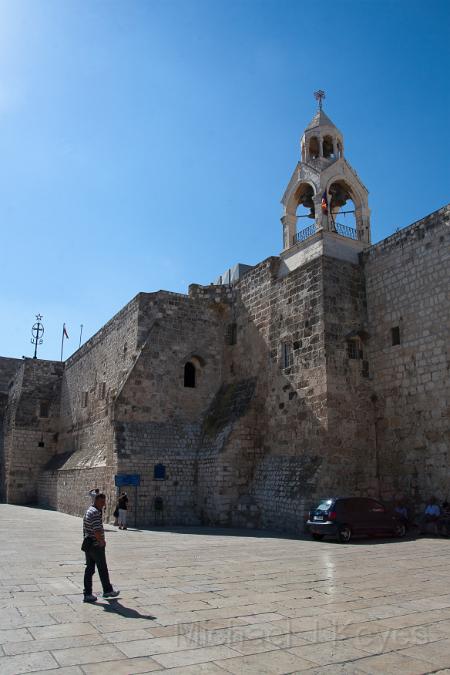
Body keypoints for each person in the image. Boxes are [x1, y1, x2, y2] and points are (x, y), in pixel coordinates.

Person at [82, 492, 119, 603]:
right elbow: (97, 530)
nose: (104, 504)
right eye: (102, 502)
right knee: (102, 568)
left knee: (90, 569)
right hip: (96, 545)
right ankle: (107, 590)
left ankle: (87, 593)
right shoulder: (95, 513)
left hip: (88, 544)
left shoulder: (90, 510)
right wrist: (101, 541)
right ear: (96, 501)